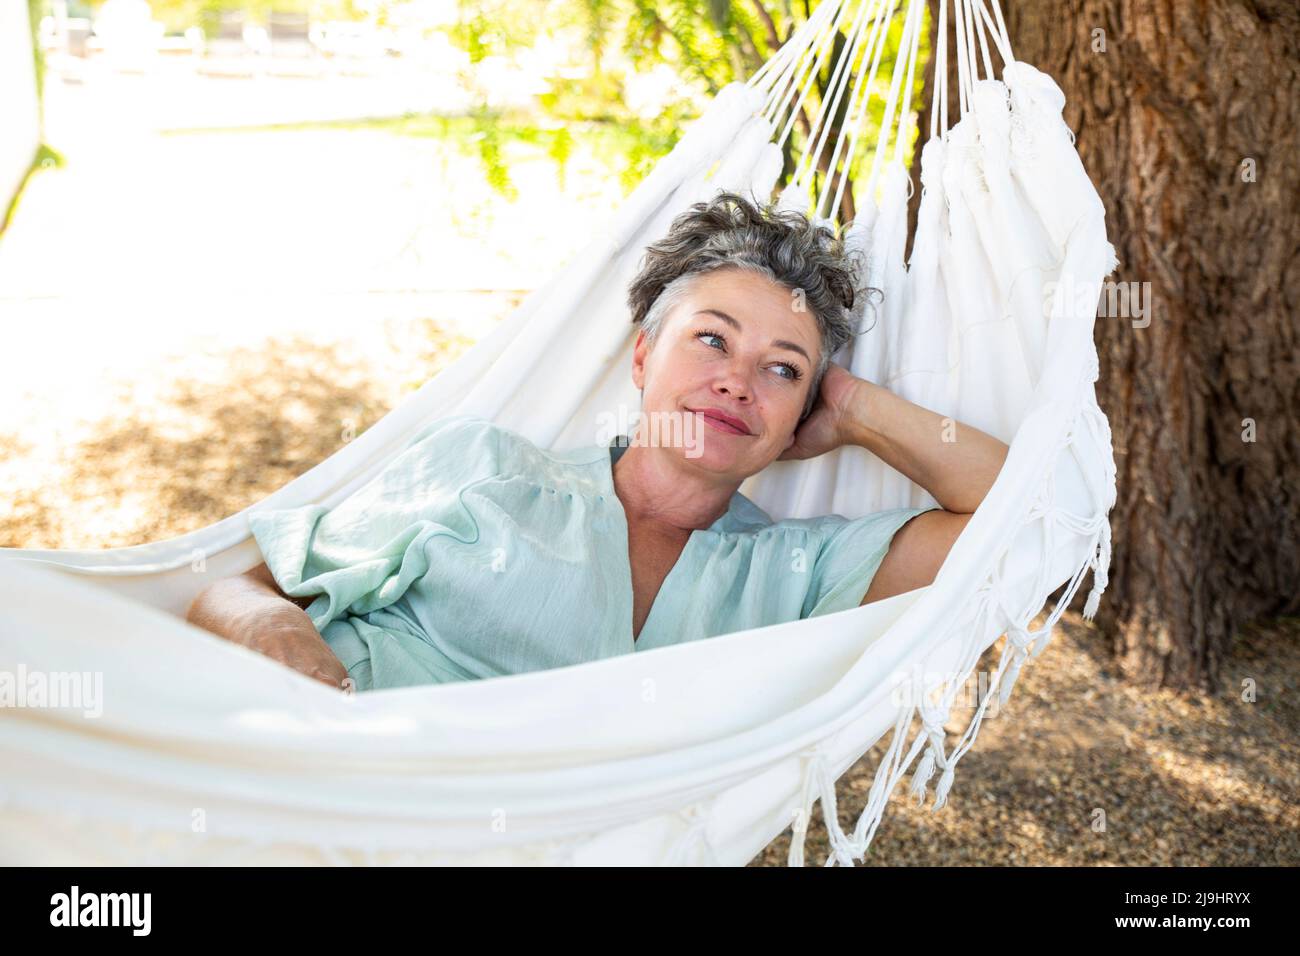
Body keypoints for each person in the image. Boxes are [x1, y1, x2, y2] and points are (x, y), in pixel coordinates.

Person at [185, 191, 1009, 691]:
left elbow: (1023, 519)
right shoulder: (484, 467)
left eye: (783, 370)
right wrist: (272, 630)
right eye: (712, 340)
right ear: (644, 355)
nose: (736, 382)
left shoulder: (794, 573)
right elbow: (236, 589)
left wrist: (859, 410)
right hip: (313, 779)